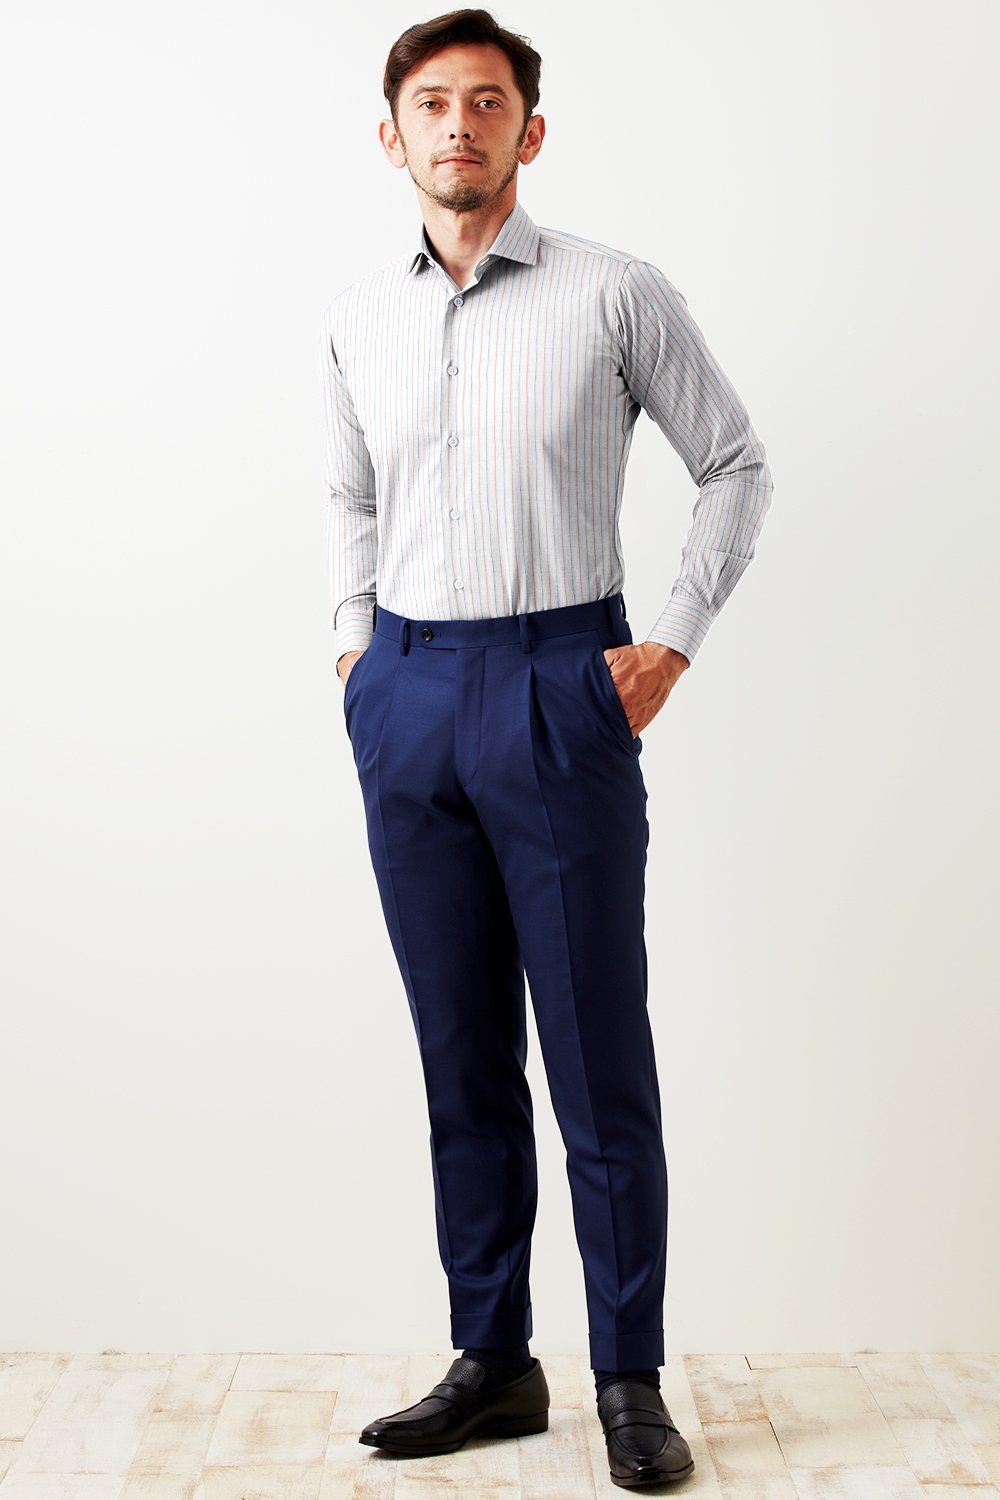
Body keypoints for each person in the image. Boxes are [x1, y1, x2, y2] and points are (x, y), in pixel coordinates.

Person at [322, 8, 772, 1487]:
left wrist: (674, 642)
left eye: (487, 101)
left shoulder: (612, 294)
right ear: (392, 135)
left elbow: (735, 465)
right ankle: (495, 1360)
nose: (459, 125)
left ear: (530, 128)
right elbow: (350, 495)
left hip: (558, 685)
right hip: (407, 697)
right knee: (461, 1059)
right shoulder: (360, 316)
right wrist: (354, 650)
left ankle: (629, 1377)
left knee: (595, 1058)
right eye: (431, 103)